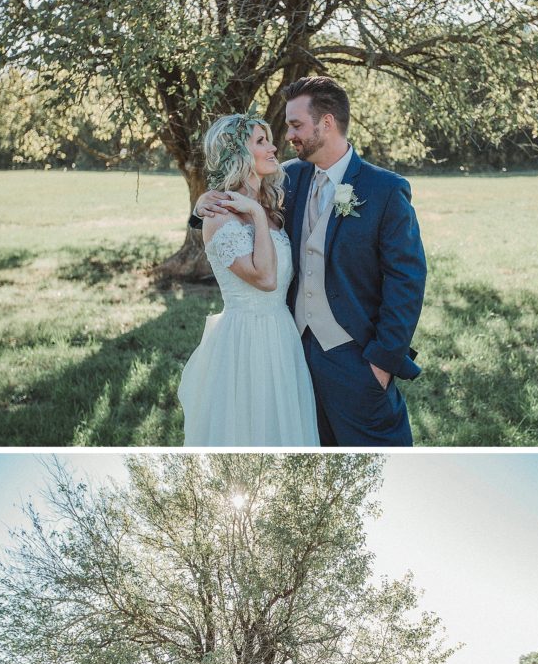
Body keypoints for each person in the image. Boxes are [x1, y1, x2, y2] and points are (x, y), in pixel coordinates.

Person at [192, 76, 427, 446]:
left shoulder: (384, 189)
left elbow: (407, 281)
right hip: (290, 354)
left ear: (327, 123)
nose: (288, 136)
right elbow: (237, 201)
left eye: (297, 125)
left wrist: (381, 363)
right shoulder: (290, 178)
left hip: (356, 359)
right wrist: (201, 205)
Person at [178, 111, 319, 447]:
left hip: (283, 335)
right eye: (260, 142)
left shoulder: (273, 204)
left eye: (269, 139)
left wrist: (258, 209)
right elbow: (266, 278)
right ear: (238, 153)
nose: (273, 148)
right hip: (247, 340)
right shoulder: (219, 215)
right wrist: (252, 213)